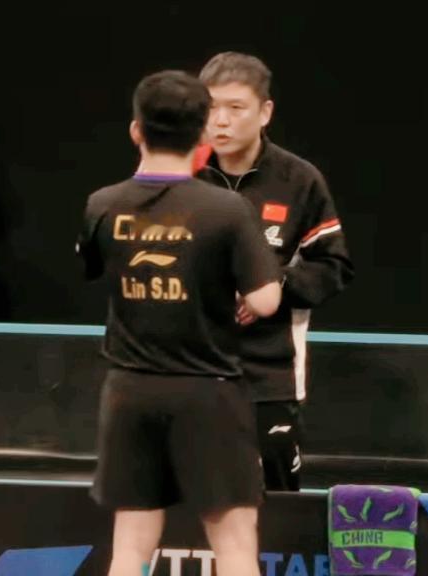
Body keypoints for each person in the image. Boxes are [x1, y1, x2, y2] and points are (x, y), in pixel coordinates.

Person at [77, 70, 281, 576]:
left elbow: (92, 266)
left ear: (136, 130)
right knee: (235, 546)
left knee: (129, 549)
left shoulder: (102, 204)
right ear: (203, 134)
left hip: (130, 392)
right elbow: (267, 300)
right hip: (208, 391)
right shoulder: (227, 209)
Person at [196, 52, 354, 491]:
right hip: (189, 374)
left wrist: (273, 286)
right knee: (191, 505)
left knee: (278, 508)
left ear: (265, 112)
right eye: (210, 107)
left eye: (235, 107)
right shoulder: (181, 177)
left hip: (270, 378)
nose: (220, 121)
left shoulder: (299, 180)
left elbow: (334, 266)